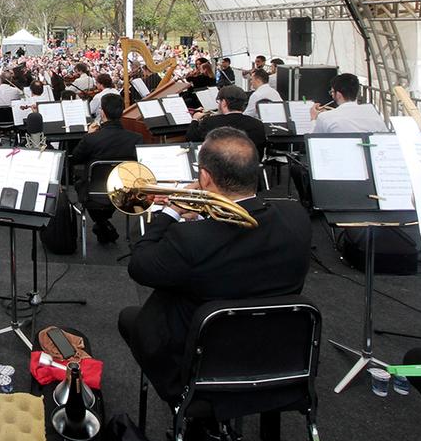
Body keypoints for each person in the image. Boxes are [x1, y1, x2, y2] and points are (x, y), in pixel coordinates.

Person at [118, 127, 310, 416]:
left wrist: (170, 213)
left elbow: (140, 265)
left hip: (201, 360)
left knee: (129, 318)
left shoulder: (191, 240)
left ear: (205, 177)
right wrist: (207, 212)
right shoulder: (297, 218)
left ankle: (195, 419)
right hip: (277, 353)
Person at [71, 94, 141, 244]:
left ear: (102, 112)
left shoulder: (91, 139)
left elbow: (75, 158)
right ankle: (103, 223)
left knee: (81, 184)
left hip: (94, 190)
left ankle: (102, 223)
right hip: (124, 190)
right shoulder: (136, 138)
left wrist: (88, 135)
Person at [186, 86, 266, 154]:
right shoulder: (258, 124)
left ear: (224, 103)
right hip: (249, 169)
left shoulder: (209, 122)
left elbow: (191, 138)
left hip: (219, 169)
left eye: (219, 101)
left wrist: (195, 119)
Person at [309, 73, 388, 133]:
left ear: (339, 94)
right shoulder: (372, 112)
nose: (332, 95)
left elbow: (313, 140)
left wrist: (314, 119)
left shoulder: (325, 117)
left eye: (332, 92)